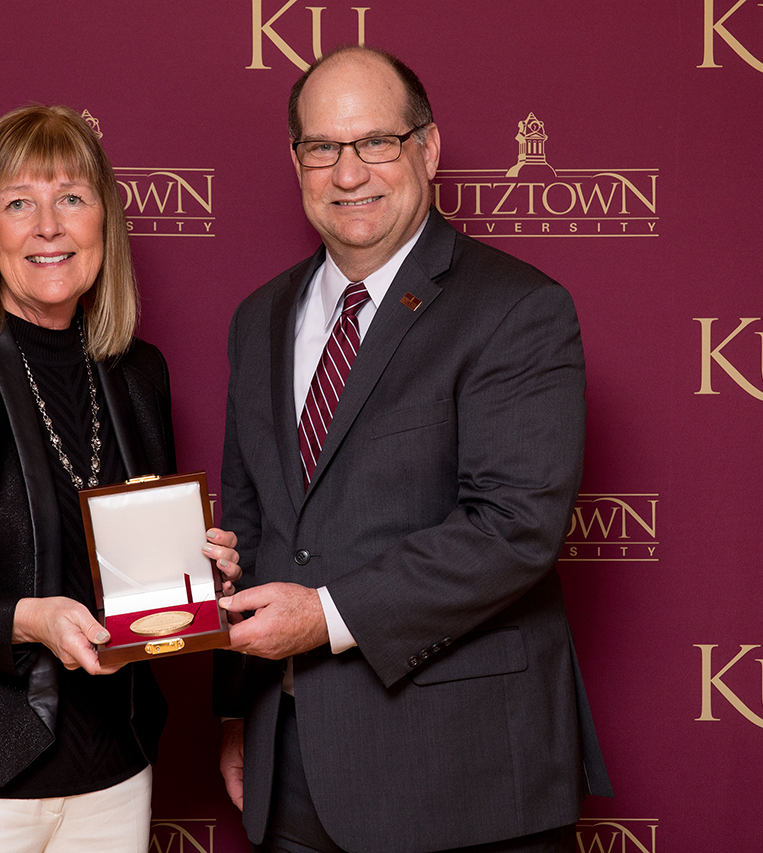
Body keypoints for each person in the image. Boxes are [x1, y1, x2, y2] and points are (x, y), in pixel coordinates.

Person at [214, 47, 613, 853]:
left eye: (376, 143)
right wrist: (235, 708)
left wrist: (322, 616)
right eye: (323, 147)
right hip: (293, 769)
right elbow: (252, 530)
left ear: (426, 149)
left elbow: (513, 529)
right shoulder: (258, 319)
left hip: (461, 779)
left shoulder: (516, 308)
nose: (349, 172)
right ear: (297, 162)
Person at [0, 104, 240, 853]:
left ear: (105, 222)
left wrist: (197, 579)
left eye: (72, 198)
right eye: (19, 202)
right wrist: (26, 620)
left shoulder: (136, 372)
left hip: (114, 775)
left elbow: (136, 576)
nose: (48, 226)